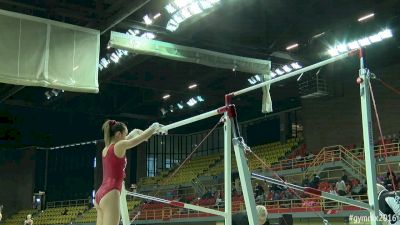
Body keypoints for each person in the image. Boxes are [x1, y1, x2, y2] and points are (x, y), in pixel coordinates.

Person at [95, 120, 163, 225]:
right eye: (125, 134)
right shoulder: (120, 146)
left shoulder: (106, 148)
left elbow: (127, 139)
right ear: (118, 134)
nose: (126, 137)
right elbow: (140, 139)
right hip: (111, 193)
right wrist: (154, 127)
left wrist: (134, 132)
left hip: (100, 194)